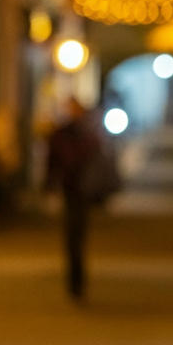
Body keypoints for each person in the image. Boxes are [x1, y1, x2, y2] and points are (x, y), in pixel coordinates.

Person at [45, 99, 114, 299]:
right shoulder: (80, 134)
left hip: (81, 190)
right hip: (73, 190)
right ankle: (75, 280)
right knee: (73, 236)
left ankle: (76, 280)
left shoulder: (85, 134)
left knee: (76, 236)